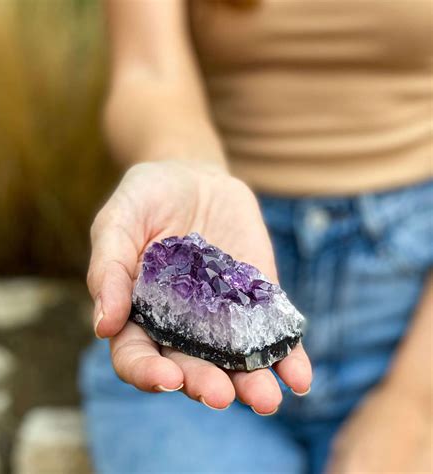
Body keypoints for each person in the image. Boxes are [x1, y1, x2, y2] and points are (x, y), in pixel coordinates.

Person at [80, 1, 432, 473]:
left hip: (413, 325)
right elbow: (147, 71)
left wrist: (414, 403)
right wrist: (187, 169)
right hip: (203, 283)